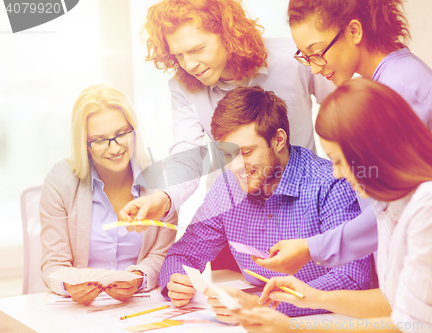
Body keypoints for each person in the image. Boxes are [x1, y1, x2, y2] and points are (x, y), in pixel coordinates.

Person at [233, 78, 432, 333]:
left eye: (339, 160)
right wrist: (311, 297)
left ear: (372, 149)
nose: (337, 173)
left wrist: (292, 328)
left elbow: (414, 325)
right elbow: (395, 302)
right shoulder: (389, 206)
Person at [254, 0, 432, 275]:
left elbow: (389, 209)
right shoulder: (402, 75)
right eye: (306, 56)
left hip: (427, 264)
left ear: (354, 31)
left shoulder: (398, 90)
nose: (316, 68)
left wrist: (312, 248)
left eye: (318, 52)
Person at [159, 86, 372, 323]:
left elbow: (353, 277)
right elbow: (183, 254)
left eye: (247, 152)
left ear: (278, 140)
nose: (236, 166)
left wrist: (267, 306)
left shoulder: (329, 183)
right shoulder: (228, 186)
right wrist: (177, 281)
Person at [118, 0, 333, 224]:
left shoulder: (294, 59)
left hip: (305, 207)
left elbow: (344, 116)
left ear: (228, 33)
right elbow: (188, 152)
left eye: (197, 49)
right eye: (179, 56)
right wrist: (163, 197)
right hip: (235, 217)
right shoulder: (182, 87)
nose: (189, 65)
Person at [40, 84, 177, 305]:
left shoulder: (162, 181)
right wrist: (68, 285)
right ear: (85, 145)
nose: (114, 149)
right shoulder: (60, 180)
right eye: (100, 140)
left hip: (141, 304)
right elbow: (53, 263)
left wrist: (139, 278)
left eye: (122, 134)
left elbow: (162, 254)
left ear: (134, 131)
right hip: (79, 309)